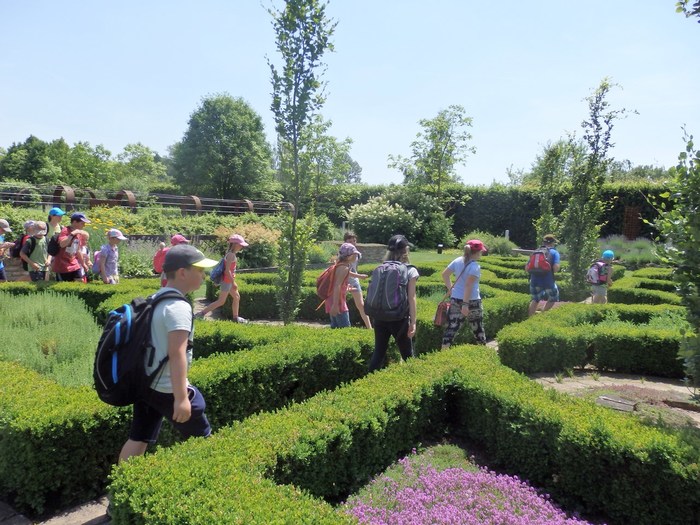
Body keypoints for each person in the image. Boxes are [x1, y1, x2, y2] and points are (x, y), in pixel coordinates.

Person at [118, 244, 218, 463]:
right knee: (204, 438)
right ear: (182, 273)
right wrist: (181, 398)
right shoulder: (178, 307)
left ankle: (121, 481)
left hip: (146, 383)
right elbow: (177, 353)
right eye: (199, 270)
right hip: (166, 388)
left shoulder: (156, 298)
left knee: (139, 437)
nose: (203, 276)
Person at [368, 235, 419, 372]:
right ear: (406, 250)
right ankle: (414, 380)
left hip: (379, 316)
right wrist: (413, 322)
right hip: (399, 318)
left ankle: (369, 380)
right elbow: (411, 297)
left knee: (378, 352)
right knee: (407, 355)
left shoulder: (381, 267)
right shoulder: (410, 270)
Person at [441, 239, 488, 348]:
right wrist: (465, 305)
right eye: (481, 251)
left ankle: (443, 352)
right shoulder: (475, 266)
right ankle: (483, 352)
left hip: (456, 299)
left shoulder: (457, 260)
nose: (481, 253)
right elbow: (468, 286)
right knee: (478, 329)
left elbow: (445, 274)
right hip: (472, 301)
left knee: (451, 328)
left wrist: (451, 290)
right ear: (476, 252)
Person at [197, 234, 249, 323]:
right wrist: (233, 283)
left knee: (237, 297)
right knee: (221, 301)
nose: (241, 247)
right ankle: (201, 314)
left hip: (228, 280)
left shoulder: (230, 254)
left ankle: (236, 318)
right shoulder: (231, 255)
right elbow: (227, 271)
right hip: (227, 281)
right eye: (240, 245)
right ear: (235, 244)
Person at [325, 242, 361, 328]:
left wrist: (346, 287)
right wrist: (335, 305)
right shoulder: (344, 268)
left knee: (335, 328)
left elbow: (338, 282)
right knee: (345, 328)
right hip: (338, 303)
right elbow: (337, 285)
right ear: (348, 256)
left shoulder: (339, 265)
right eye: (354, 254)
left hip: (331, 299)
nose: (356, 256)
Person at [343, 231, 372, 329]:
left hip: (353, 281)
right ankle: (342, 326)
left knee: (361, 305)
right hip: (343, 281)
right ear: (345, 242)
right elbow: (344, 272)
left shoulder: (356, 253)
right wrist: (359, 276)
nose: (353, 243)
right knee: (340, 304)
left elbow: (353, 268)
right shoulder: (342, 254)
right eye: (350, 241)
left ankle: (369, 328)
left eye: (354, 241)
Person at [528, 234, 561, 316]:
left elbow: (526, 268)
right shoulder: (554, 252)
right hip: (548, 281)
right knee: (553, 298)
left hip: (534, 280)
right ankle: (543, 314)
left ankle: (530, 318)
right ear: (553, 243)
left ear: (543, 242)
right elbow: (555, 268)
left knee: (535, 300)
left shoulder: (535, 252)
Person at [52, 212, 90, 282]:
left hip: (74, 263)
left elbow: (78, 250)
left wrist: (83, 264)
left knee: (80, 281)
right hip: (62, 264)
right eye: (82, 223)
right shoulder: (65, 230)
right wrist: (72, 234)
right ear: (75, 222)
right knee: (65, 285)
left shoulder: (79, 233)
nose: (84, 225)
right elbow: (62, 244)